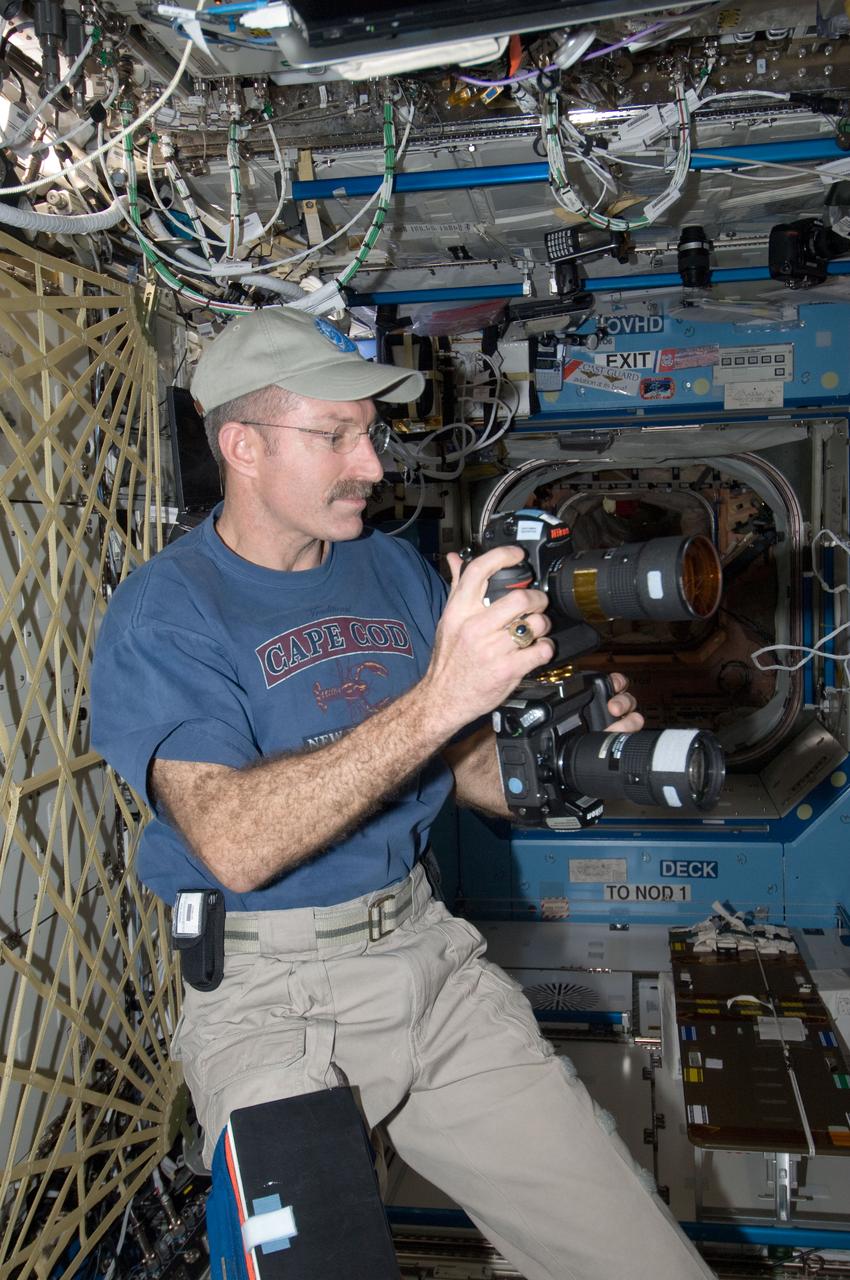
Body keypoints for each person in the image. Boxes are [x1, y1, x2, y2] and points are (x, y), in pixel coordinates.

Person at [91, 307, 715, 1280]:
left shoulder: (390, 569)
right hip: (271, 995)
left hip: (428, 957)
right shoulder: (163, 611)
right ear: (242, 445)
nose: (373, 464)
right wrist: (440, 696)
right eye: (334, 435)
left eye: (369, 433)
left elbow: (458, 767)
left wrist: (566, 757)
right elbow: (234, 841)